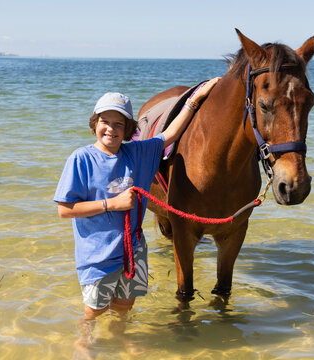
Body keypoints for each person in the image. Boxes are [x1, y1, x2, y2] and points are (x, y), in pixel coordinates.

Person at [53, 78, 220, 346]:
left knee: (124, 305)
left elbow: (172, 134)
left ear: (130, 129)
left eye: (119, 124)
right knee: (93, 311)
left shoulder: (139, 153)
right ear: (94, 123)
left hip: (133, 249)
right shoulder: (80, 158)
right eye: (104, 121)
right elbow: (64, 210)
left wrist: (195, 98)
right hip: (98, 253)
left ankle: (119, 339)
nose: (111, 129)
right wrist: (112, 204)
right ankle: (84, 345)